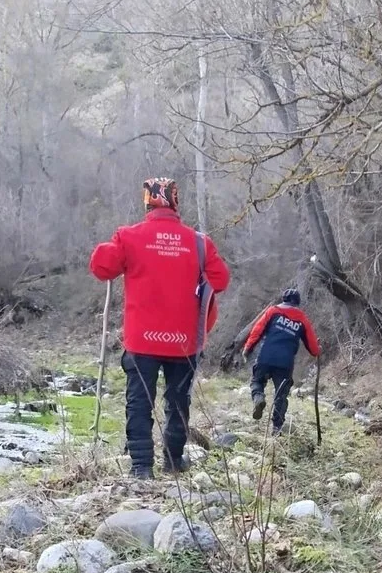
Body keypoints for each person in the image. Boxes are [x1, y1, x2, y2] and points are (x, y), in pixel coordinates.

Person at [89, 177, 230, 478]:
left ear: (147, 202)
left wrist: (109, 245)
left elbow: (102, 268)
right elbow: (220, 280)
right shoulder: (199, 242)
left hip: (142, 341)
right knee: (178, 400)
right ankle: (174, 460)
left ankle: (141, 468)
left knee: (139, 402)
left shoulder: (128, 236)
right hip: (184, 341)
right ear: (176, 202)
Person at [242, 288, 320, 435]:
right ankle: (277, 429)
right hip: (285, 363)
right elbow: (313, 348)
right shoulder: (302, 318)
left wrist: (247, 349)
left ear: (283, 299)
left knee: (256, 381)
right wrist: (318, 350)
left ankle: (258, 397)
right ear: (297, 302)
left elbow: (257, 331)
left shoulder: (272, 311)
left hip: (266, 357)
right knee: (281, 395)